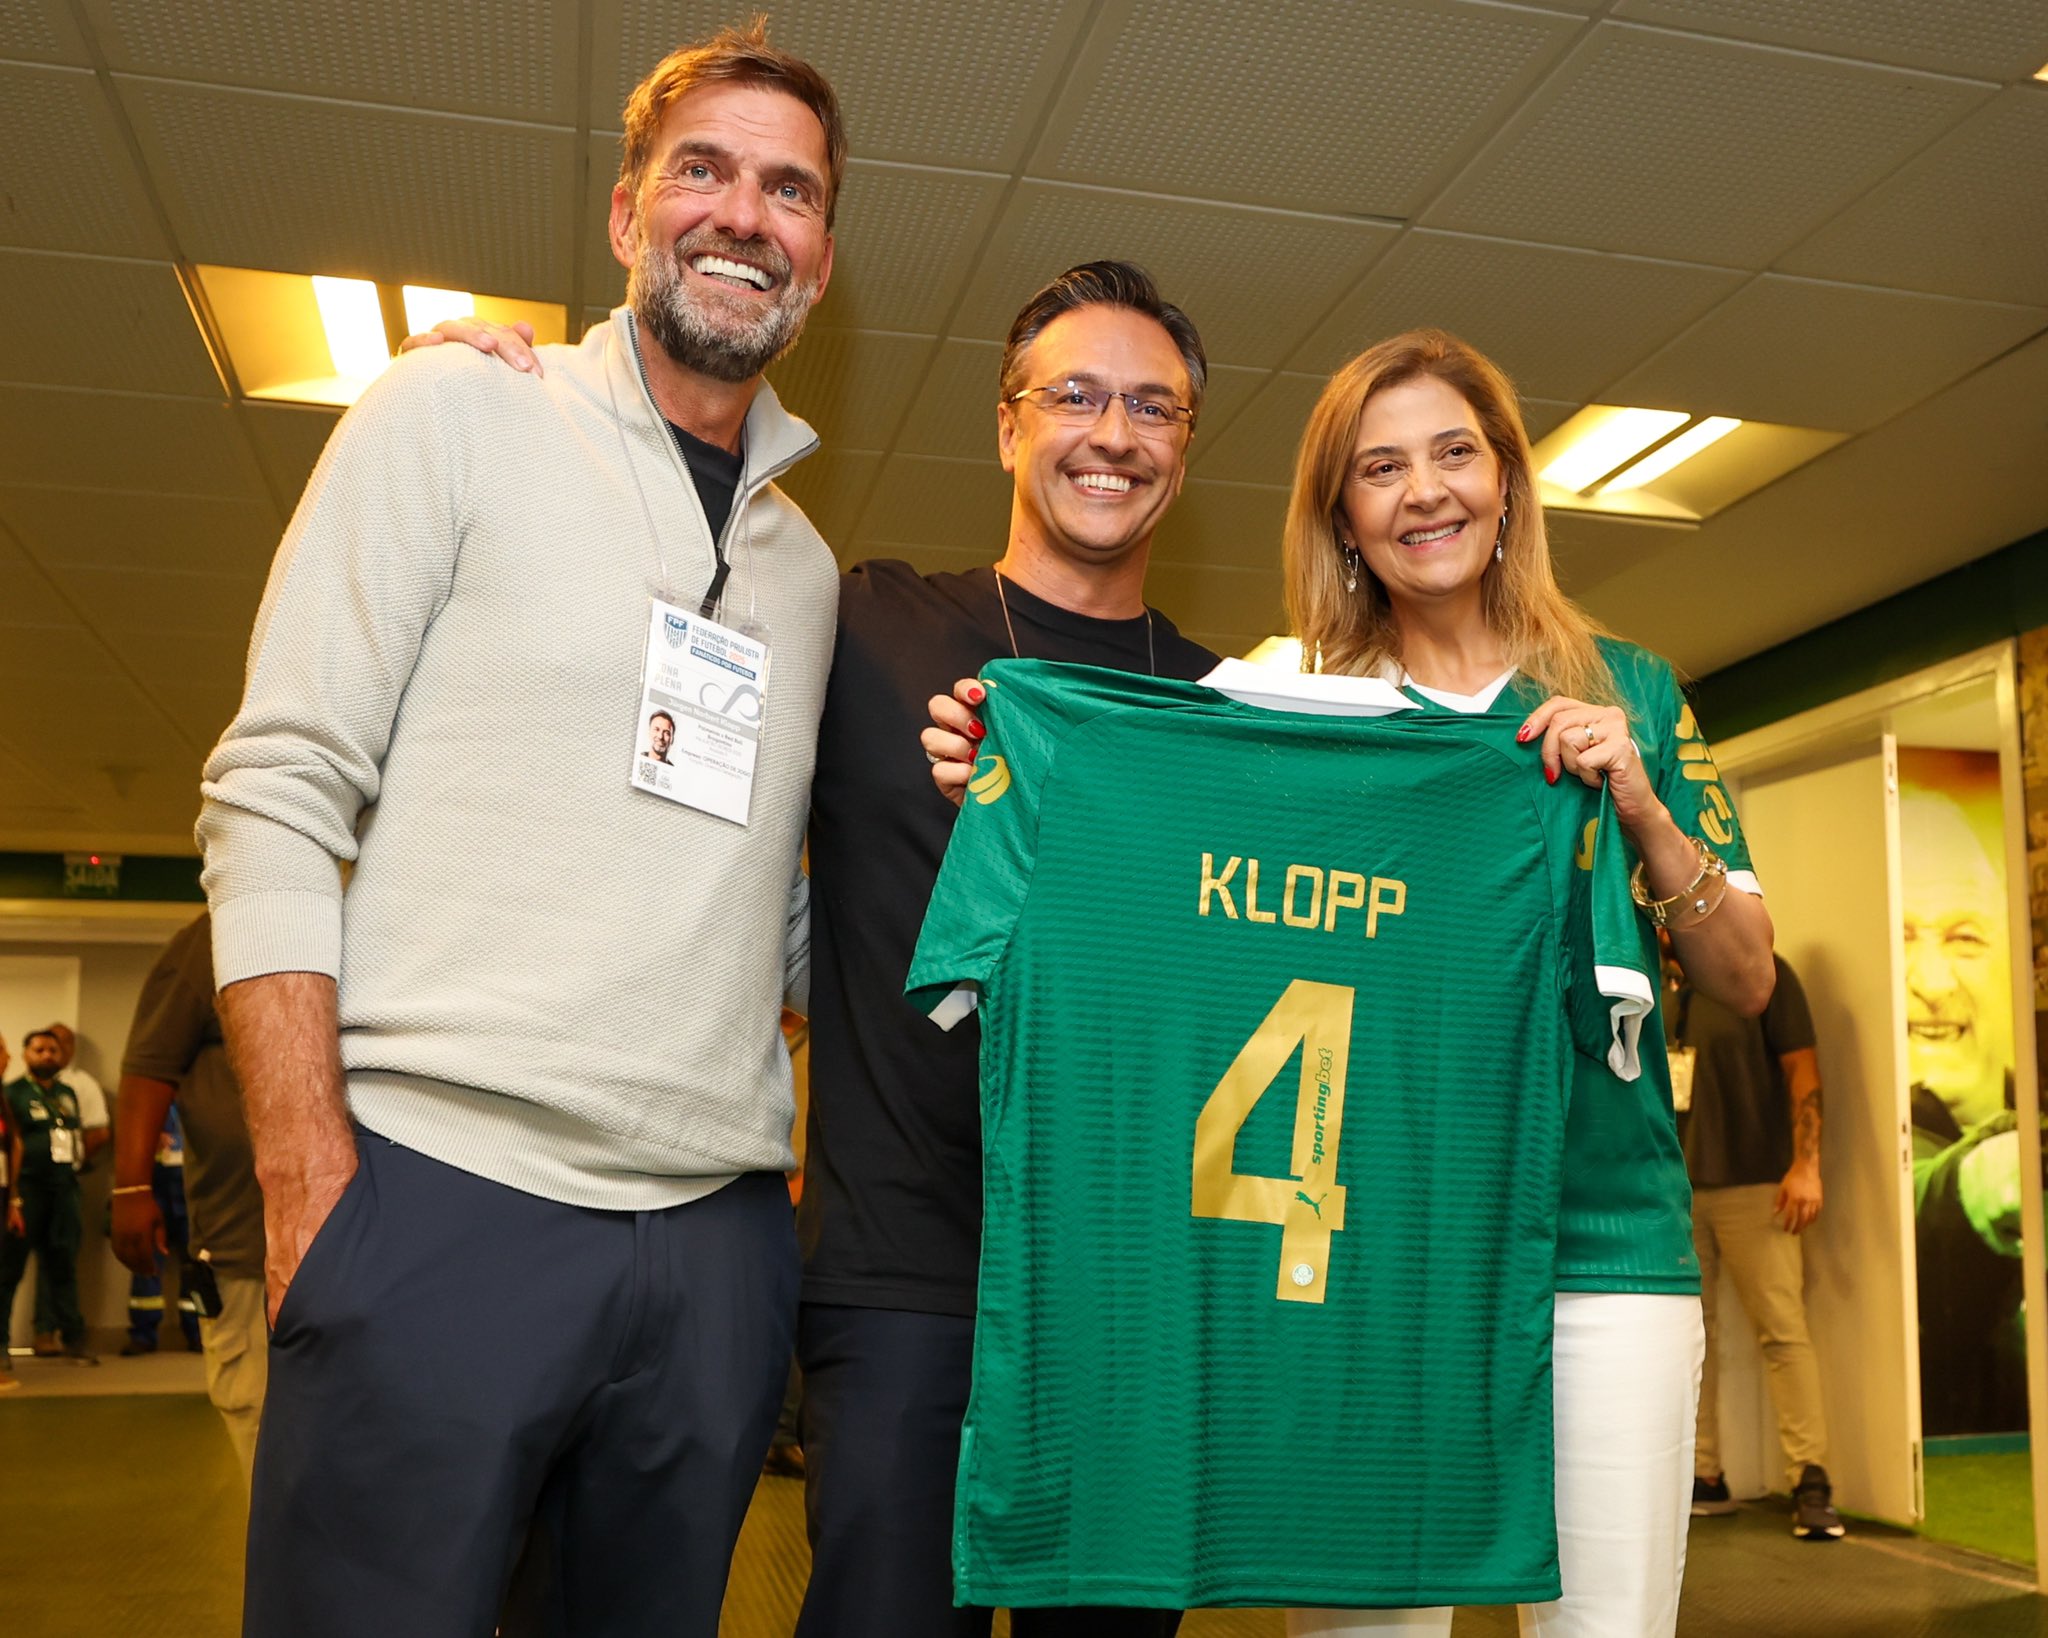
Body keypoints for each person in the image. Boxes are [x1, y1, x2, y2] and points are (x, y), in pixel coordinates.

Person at [930, 328, 1775, 1637]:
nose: (1423, 490)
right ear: (1344, 515)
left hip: (1603, 1255)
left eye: (1454, 453)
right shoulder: (1284, 724)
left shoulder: (1632, 693)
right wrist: (1023, 770)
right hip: (1385, 1264)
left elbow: (1750, 973)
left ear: (1507, 486)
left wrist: (1643, 805)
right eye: (1380, 468)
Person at [422, 258, 1210, 1637]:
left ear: (1185, 445)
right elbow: (641, 618)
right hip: (901, 1268)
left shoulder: (1222, 708)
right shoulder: (866, 623)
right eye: (1075, 392)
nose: (1115, 430)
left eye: (1154, 405)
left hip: (1131, 1283)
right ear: (1009, 424)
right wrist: (521, 408)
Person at [198, 21, 842, 1634]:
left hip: (710, 1258)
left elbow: (769, 913)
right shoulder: (453, 416)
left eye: (790, 190)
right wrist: (307, 1186)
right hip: (436, 1201)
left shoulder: (808, 576)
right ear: (627, 215)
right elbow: (273, 782)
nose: (742, 214)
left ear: (822, 255)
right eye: (702, 169)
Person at [1671, 948, 1845, 1539]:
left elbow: (1803, 1071)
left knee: (1782, 1329)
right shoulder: (1648, 975)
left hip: (1758, 1186)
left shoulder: (1758, 971)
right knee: (1694, 1339)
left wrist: (1807, 1165)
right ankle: (1704, 1476)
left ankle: (1811, 1480)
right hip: (1675, 1193)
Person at [110, 910, 270, 1484]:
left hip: (359, 1239)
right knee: (257, 1408)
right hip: (244, 1239)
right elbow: (149, 1067)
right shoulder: (214, 935)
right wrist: (130, 1187)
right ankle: (281, 1570)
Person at [1900, 788, 2027, 1433]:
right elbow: (1926, 1193)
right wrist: (1991, 1179)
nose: (1933, 981)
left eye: (1965, 938)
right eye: (1903, 938)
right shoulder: (1885, 1126)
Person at [1, 1030, 101, 1366]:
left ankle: (73, 1339)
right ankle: (2, 1346)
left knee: (63, 1265)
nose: (47, 1055)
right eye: (39, 1049)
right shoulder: (12, 1093)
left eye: (53, 1050)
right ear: (25, 1054)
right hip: (28, 1190)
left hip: (64, 1188)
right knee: (9, 1269)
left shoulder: (67, 1092)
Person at [118, 1105, 204, 1356]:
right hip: (157, 1193)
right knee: (147, 1264)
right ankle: (143, 1335)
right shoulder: (150, 1103)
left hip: (192, 1195)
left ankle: (198, 1332)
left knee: (196, 1267)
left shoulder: (197, 1101)